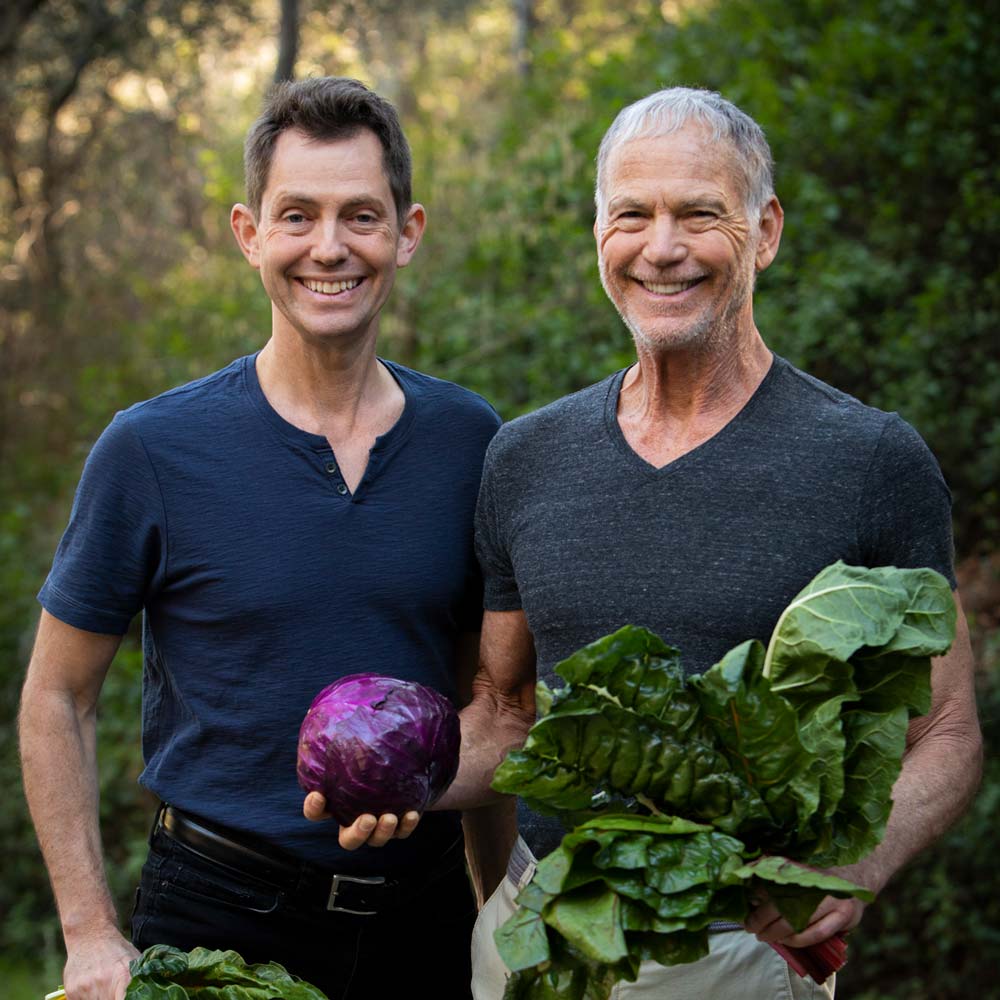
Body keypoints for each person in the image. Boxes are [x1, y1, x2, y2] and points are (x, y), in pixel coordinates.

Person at [434, 87, 982, 999]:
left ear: (764, 232)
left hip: (738, 951)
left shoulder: (869, 459)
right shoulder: (524, 456)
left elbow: (949, 728)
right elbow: (507, 712)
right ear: (597, 233)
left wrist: (856, 866)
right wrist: (392, 784)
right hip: (537, 938)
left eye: (699, 214)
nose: (661, 248)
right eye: (632, 215)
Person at [18, 77, 500, 1000]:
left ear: (408, 231)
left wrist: (499, 919)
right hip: (221, 918)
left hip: (426, 920)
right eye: (297, 216)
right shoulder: (153, 448)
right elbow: (56, 696)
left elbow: (490, 698)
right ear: (249, 233)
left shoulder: (471, 441)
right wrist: (87, 934)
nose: (330, 247)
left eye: (361, 215)